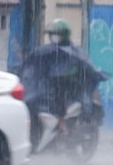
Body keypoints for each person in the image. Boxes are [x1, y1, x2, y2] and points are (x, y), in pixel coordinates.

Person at [16, 19, 105, 151]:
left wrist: (65, 75)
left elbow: (85, 67)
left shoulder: (75, 52)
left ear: (63, 34)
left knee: (59, 95)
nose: (53, 37)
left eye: (56, 34)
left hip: (69, 88)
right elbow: (32, 65)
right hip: (46, 88)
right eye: (52, 34)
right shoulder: (46, 51)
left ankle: (62, 124)